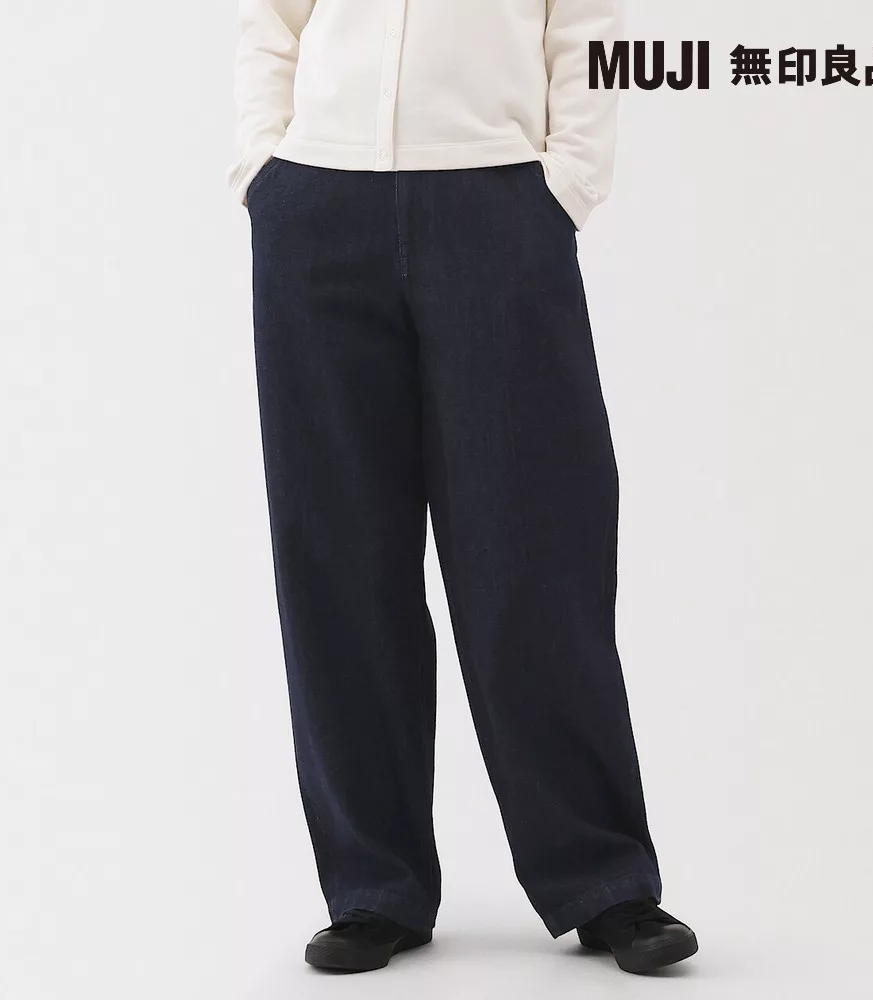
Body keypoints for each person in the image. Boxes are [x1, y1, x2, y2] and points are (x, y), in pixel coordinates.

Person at [226, 0, 697, 976]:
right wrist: (265, 169)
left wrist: (565, 184)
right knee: (337, 561)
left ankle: (603, 877)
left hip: (499, 204)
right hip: (317, 206)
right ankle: (372, 887)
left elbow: (589, 25)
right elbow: (271, 20)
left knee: (538, 554)